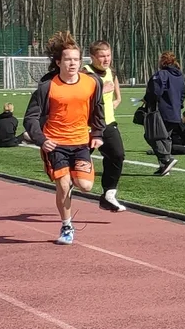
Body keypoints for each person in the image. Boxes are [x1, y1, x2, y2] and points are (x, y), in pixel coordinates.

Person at [22, 31, 106, 246]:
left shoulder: (92, 82)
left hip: (81, 142)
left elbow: (98, 109)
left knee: (85, 186)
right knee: (64, 183)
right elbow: (30, 117)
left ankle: (74, 179)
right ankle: (67, 225)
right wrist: (41, 139)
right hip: (55, 144)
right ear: (58, 62)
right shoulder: (47, 86)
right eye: (68, 59)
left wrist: (97, 133)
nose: (72, 63)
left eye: (76, 59)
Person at [84, 41, 129, 212]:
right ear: (92, 57)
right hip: (88, 126)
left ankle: (109, 194)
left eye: (108, 55)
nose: (106, 59)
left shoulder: (111, 70)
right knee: (79, 162)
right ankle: (67, 191)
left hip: (108, 122)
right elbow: (80, 97)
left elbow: (113, 78)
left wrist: (118, 97)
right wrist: (101, 90)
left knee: (117, 155)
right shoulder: (85, 74)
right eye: (102, 56)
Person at [144, 51, 185, 175]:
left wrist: (147, 100)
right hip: (175, 112)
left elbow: (155, 92)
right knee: (166, 138)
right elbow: (182, 94)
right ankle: (164, 167)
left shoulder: (161, 74)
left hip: (162, 111)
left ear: (162, 61)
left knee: (151, 136)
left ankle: (166, 160)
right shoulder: (179, 76)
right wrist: (178, 106)